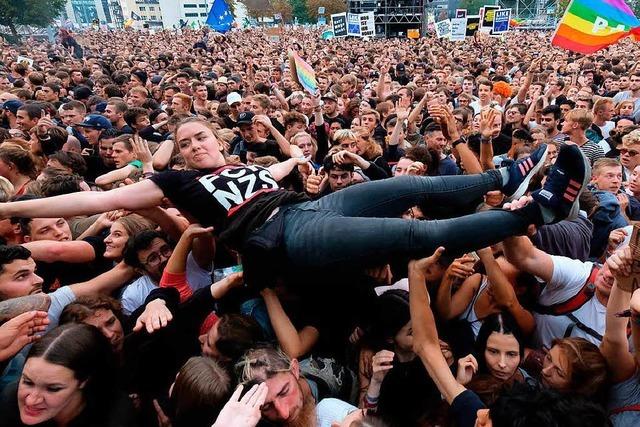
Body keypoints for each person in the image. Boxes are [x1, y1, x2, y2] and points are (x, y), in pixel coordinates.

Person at [0, 323, 136, 427]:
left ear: (83, 380)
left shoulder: (116, 416)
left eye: (52, 388)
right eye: (27, 382)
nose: (31, 400)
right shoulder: (10, 400)